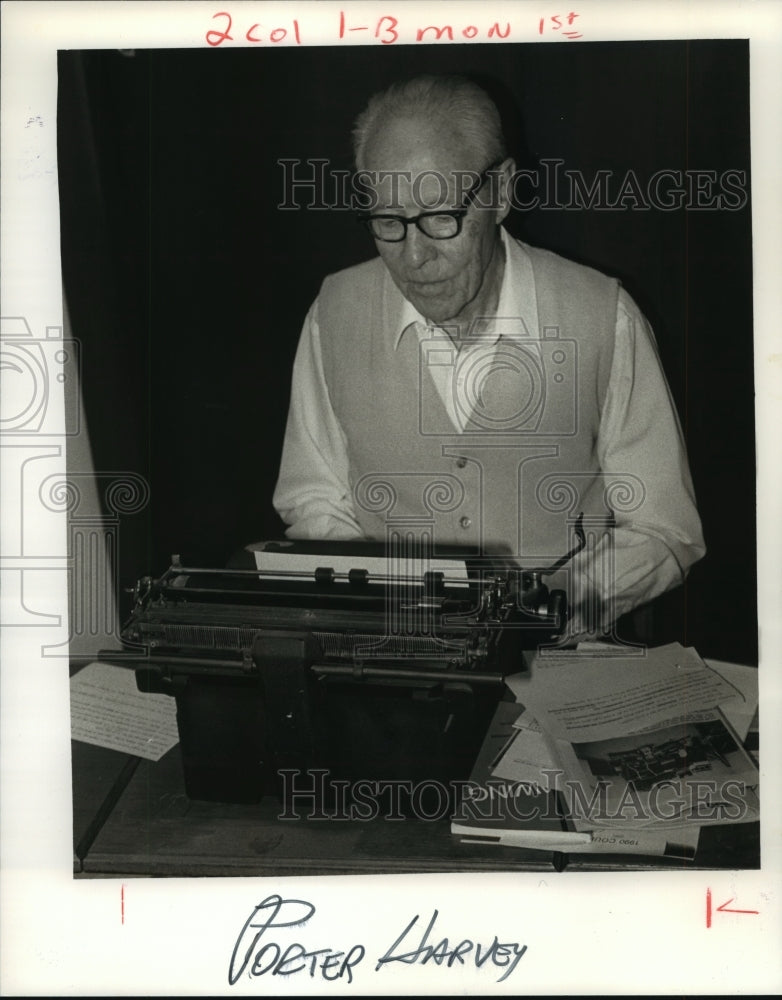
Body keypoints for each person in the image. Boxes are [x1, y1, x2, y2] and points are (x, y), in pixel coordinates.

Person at [273, 74, 705, 635]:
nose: (414, 256)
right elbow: (315, 498)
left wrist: (551, 612)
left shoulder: (606, 316)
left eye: (440, 217)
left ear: (500, 193)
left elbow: (664, 528)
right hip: (391, 658)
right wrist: (381, 604)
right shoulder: (332, 313)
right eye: (387, 222)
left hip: (564, 655)